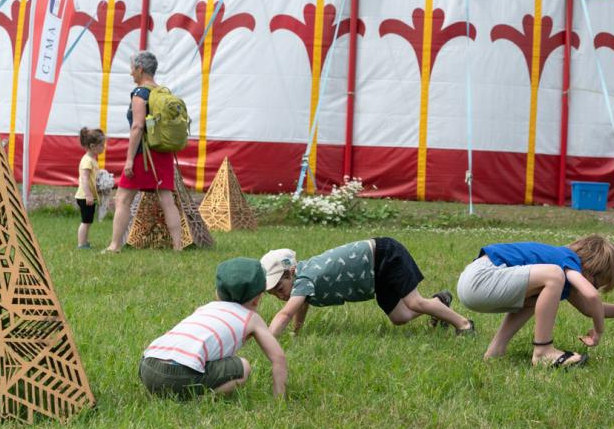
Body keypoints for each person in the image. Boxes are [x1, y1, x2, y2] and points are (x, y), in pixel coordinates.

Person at [456, 235, 614, 368]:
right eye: (595, 284)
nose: (593, 289)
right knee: (553, 274)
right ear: (590, 268)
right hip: (481, 278)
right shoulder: (567, 260)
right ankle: (543, 351)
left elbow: (590, 307)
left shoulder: (563, 276)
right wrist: (599, 331)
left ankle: (495, 351)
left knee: (538, 297)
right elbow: (592, 297)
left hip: (474, 285)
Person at [139, 257, 287, 399]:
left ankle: (161, 391)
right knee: (243, 367)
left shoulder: (204, 308)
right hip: (181, 375)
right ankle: (199, 399)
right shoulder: (252, 318)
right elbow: (278, 358)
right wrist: (279, 399)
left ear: (218, 293)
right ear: (257, 298)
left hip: (148, 367)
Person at [261, 239, 475, 336]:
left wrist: (268, 339)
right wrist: (297, 332)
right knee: (400, 317)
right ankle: (439, 302)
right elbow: (300, 305)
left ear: (291, 272)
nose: (281, 295)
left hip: (384, 255)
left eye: (280, 288)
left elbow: (286, 313)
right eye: (274, 294)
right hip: (374, 275)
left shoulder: (305, 278)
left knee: (414, 302)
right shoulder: (301, 281)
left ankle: (464, 325)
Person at [105, 51, 182, 252]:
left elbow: (138, 126)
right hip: (163, 152)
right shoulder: (163, 92)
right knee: (167, 200)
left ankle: (115, 245)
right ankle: (178, 246)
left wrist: (129, 160)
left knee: (123, 198)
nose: (131, 73)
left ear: (140, 69)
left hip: (143, 155)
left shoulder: (140, 93)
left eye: (132, 68)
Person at [74, 127, 106, 249]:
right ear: (92, 146)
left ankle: (84, 242)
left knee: (88, 221)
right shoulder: (87, 161)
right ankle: (82, 244)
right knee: (86, 221)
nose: (103, 147)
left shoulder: (92, 160)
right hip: (85, 197)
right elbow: (84, 178)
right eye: (101, 145)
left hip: (87, 196)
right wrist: (88, 195)